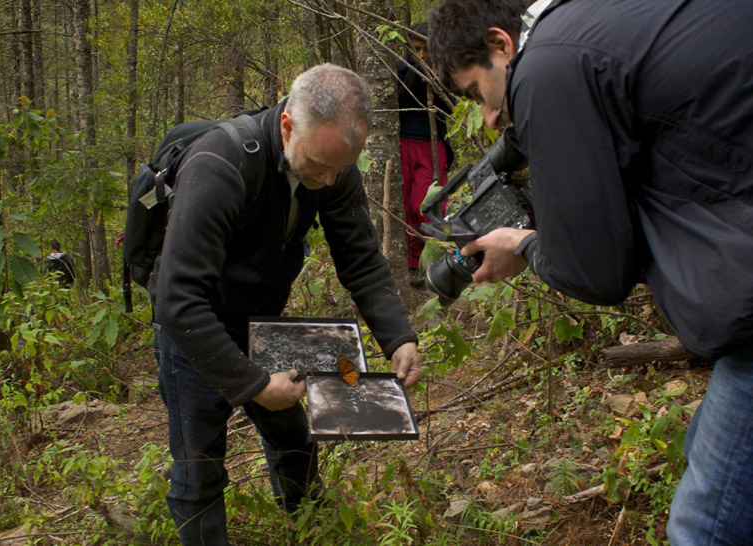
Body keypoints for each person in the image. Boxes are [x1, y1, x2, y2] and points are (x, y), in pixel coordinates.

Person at [428, 0, 753, 543]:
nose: (487, 116)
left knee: (705, 526)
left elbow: (599, 274)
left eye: (475, 93)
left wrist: (525, 245)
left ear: (501, 44)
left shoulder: (548, 66)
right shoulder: (588, 25)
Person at [151, 64, 422, 546]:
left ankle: (310, 527)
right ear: (287, 124)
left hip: (261, 322)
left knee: (295, 439)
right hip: (196, 331)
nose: (329, 178)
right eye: (319, 165)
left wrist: (398, 336)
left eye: (340, 168)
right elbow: (177, 299)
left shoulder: (334, 168)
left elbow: (360, 259)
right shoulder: (220, 165)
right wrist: (254, 384)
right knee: (199, 470)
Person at [397, 22, 453, 287]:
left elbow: (450, 105)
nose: (421, 54)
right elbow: (398, 96)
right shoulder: (399, 69)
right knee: (405, 206)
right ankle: (413, 266)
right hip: (404, 143)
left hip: (432, 145)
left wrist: (433, 75)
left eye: (426, 49)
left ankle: (436, 263)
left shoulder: (446, 71)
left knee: (427, 203)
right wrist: (415, 70)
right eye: (415, 49)